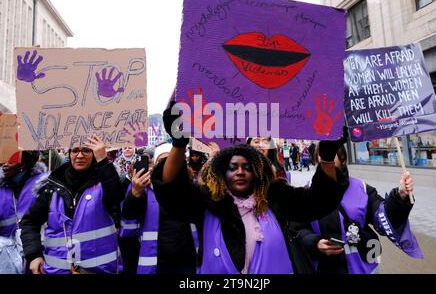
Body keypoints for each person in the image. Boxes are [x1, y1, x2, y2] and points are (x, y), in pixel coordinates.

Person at [150, 102, 348, 274]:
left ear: (257, 172)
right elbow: (171, 190)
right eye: (232, 167)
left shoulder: (275, 195)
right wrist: (178, 143)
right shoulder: (208, 201)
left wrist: (328, 158)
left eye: (247, 167)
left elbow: (318, 201)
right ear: (222, 173)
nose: (240, 172)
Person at [296, 145, 423, 274]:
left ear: (342, 157)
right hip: (324, 269)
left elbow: (382, 218)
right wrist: (314, 243)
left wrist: (399, 196)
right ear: (317, 158)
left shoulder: (361, 189)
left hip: (364, 268)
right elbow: (298, 230)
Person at [20, 134, 123, 274]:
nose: (80, 155)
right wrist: (34, 255)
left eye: (86, 150)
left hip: (98, 270)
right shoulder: (52, 187)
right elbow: (29, 221)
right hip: (56, 270)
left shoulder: (104, 182)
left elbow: (116, 195)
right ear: (69, 154)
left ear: (94, 154)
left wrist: (103, 160)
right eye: (75, 150)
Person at [121, 142, 198, 274]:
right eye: (162, 161)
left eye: (173, 160)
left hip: (188, 261)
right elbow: (129, 220)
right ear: (155, 165)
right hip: (157, 263)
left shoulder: (192, 186)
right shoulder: (144, 188)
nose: (168, 165)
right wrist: (135, 193)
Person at [0, 151, 47, 274]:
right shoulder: (1, 188)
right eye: (3, 159)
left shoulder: (44, 185)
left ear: (24, 163)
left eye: (11, 160)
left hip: (38, 258)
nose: (5, 164)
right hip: (6, 262)